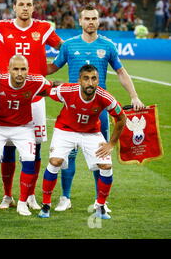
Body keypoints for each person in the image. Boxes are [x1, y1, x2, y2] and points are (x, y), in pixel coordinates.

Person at [47, 4, 144, 212]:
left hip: (99, 109)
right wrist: (29, 70)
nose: (90, 22)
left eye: (94, 18)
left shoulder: (107, 45)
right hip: (72, 107)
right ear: (80, 22)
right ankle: (65, 197)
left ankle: (100, 200)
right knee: (68, 156)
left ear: (98, 21)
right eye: (87, 19)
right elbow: (52, 68)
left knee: (101, 155)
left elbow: (121, 72)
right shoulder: (69, 46)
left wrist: (134, 96)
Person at [0, 0, 63, 211]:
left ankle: (29, 195)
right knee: (7, 148)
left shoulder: (44, 28)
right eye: (21, 4)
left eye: (29, 4)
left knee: (35, 148)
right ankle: (7, 195)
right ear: (14, 7)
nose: (25, 8)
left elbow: (63, 48)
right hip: (6, 95)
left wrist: (52, 68)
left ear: (33, 7)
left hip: (35, 96)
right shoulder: (0, 27)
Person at [38, 64, 126, 219]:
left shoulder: (105, 97)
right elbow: (44, 91)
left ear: (98, 81)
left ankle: (100, 206)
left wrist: (111, 143)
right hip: (65, 130)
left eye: (93, 79)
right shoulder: (67, 90)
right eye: (86, 78)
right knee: (55, 161)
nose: (90, 83)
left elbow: (121, 118)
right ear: (79, 80)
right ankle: (46, 205)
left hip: (91, 133)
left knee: (106, 165)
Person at [0, 55, 57, 216]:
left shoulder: (36, 81)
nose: (19, 73)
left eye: (23, 69)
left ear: (28, 70)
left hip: (23, 127)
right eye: (15, 69)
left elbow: (55, 88)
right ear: (8, 69)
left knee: (30, 160)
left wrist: (76, 89)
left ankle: (23, 202)